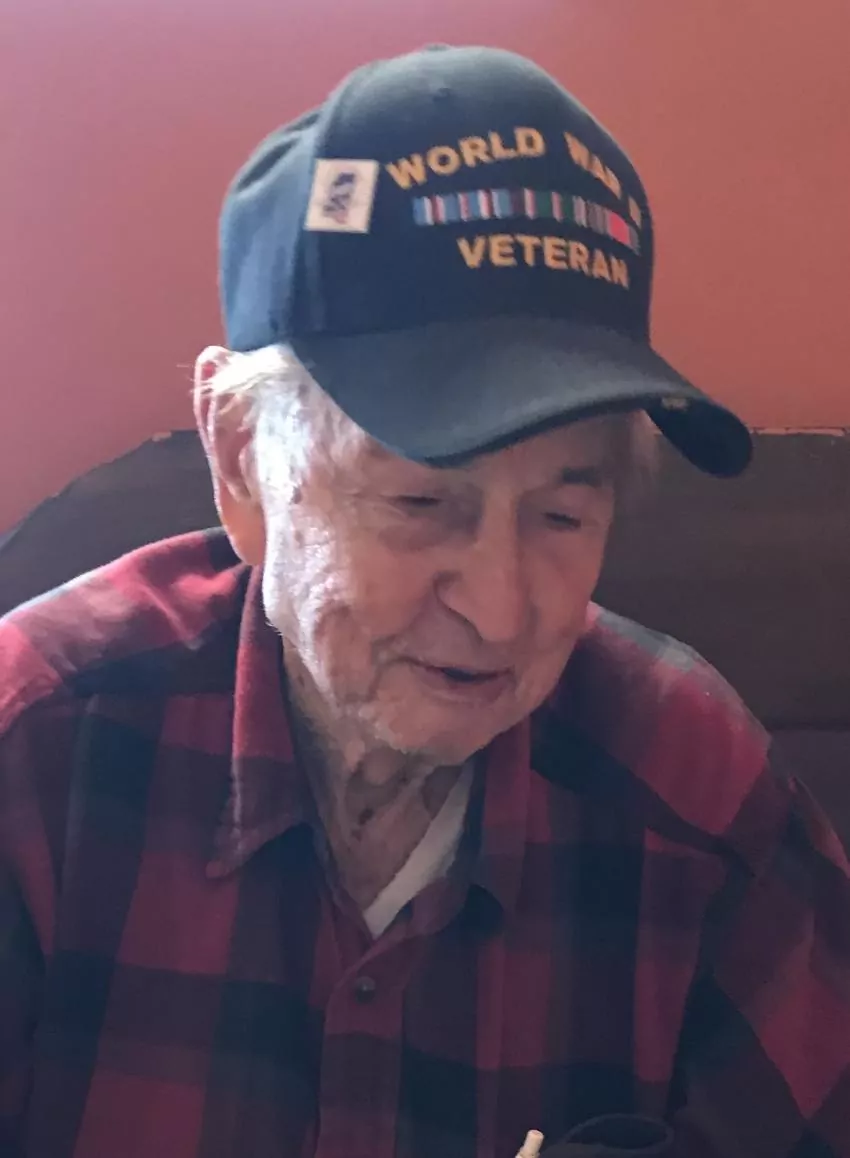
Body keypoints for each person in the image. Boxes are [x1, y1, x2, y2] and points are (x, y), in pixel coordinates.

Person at [0, 44, 847, 1158]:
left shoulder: (696, 795)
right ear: (244, 459)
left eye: (562, 513)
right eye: (419, 502)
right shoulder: (38, 754)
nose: (500, 612)